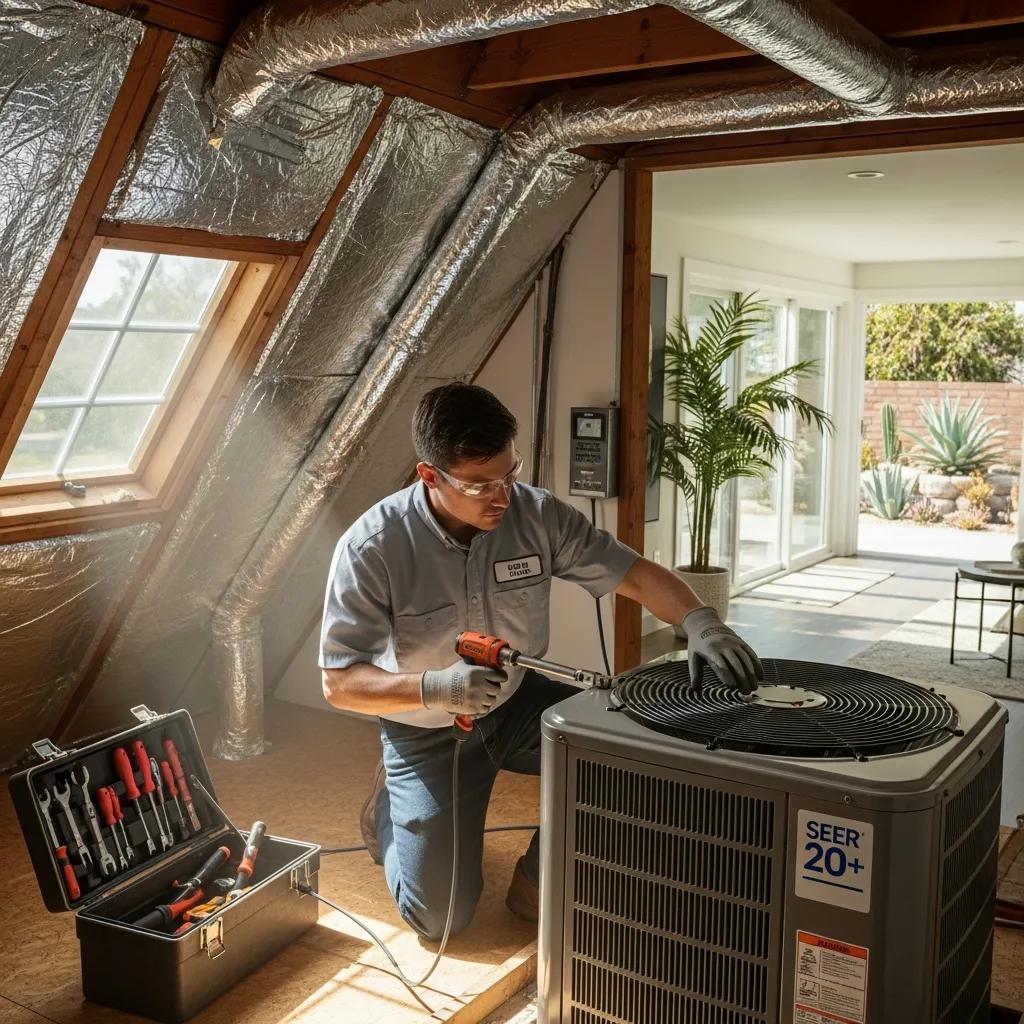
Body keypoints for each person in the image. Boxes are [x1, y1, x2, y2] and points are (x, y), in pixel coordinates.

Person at [320, 383, 762, 940]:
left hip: (516, 703)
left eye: (509, 473)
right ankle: (389, 810)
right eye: (479, 485)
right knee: (439, 919)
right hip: (427, 730)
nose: (501, 496)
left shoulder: (536, 514)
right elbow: (339, 683)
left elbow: (632, 573)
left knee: (631, 755)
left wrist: (700, 620)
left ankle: (535, 883)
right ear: (429, 475)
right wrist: (437, 687)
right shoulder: (373, 547)